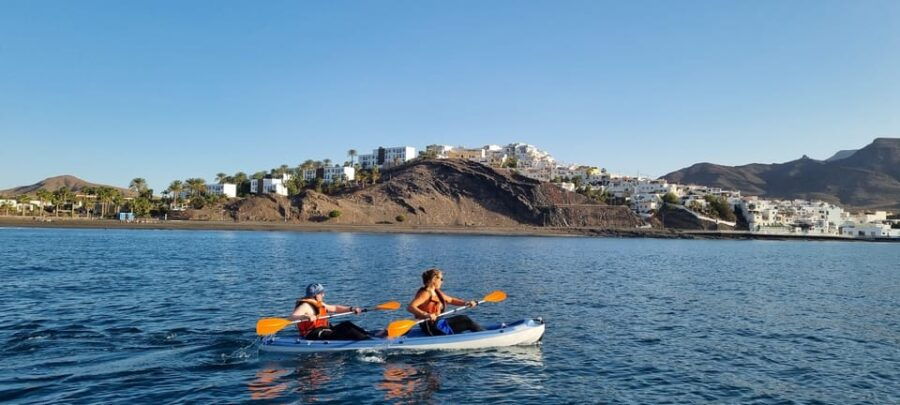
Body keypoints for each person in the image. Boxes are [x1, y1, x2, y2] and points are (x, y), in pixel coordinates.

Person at [407, 268, 484, 336]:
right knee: (465, 320)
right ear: (434, 279)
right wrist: (426, 314)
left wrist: (466, 303)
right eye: (441, 279)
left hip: (439, 323)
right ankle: (483, 336)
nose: (442, 281)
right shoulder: (425, 293)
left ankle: (481, 333)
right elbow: (410, 307)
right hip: (432, 327)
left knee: (463, 318)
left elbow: (450, 300)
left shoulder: (436, 291)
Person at [291, 283, 370, 340]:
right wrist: (306, 317)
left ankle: (368, 335)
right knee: (348, 330)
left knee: (347, 324)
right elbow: (292, 317)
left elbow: (335, 308)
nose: (323, 295)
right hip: (313, 334)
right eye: (321, 293)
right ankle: (367, 341)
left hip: (324, 330)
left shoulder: (319, 303)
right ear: (316, 295)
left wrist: (351, 309)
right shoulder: (305, 306)